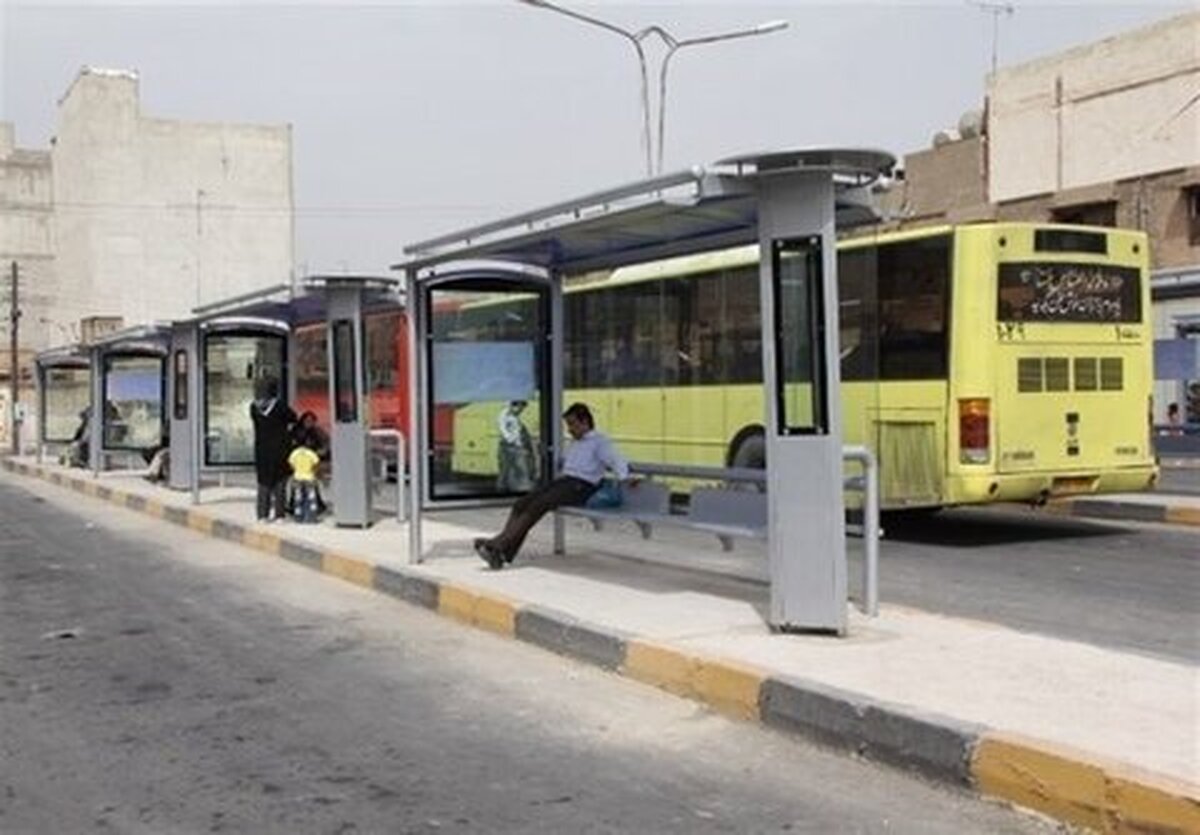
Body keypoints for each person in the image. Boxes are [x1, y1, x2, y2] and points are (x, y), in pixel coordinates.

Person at [474, 402, 634, 570]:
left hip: (581, 486)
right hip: (566, 482)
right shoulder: (577, 441)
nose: (569, 429)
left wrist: (626, 477)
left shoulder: (600, 441)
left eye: (572, 424)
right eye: (568, 425)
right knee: (521, 504)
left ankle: (497, 546)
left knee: (538, 506)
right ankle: (503, 553)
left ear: (585, 422)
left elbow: (616, 460)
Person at [249, 378, 296, 523]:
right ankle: (279, 514)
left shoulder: (253, 407)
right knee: (280, 481)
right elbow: (293, 417)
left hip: (262, 449)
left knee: (263, 482)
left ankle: (262, 514)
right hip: (280, 448)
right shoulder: (280, 406)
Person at [289, 411, 330, 515]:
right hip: (299, 461)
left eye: (312, 421)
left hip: (311, 461)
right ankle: (296, 506)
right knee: (298, 486)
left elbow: (324, 445)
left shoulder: (316, 432)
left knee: (311, 485)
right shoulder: (296, 432)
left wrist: (321, 452)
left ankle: (315, 505)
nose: (309, 423)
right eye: (307, 421)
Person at [496, 400, 535, 492]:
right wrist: (515, 443)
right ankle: (524, 489)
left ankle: (503, 488)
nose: (521, 410)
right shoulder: (505, 414)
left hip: (512, 447)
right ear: (516, 405)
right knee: (520, 469)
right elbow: (504, 430)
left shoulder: (514, 416)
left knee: (507, 471)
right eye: (521, 408)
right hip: (510, 447)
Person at [288, 438, 322, 523]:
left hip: (297, 477)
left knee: (298, 498)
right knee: (311, 498)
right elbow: (317, 464)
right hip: (309, 477)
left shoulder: (294, 453)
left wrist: (296, 470)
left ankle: (298, 517)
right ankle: (311, 517)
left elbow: (291, 464)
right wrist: (314, 472)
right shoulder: (311, 453)